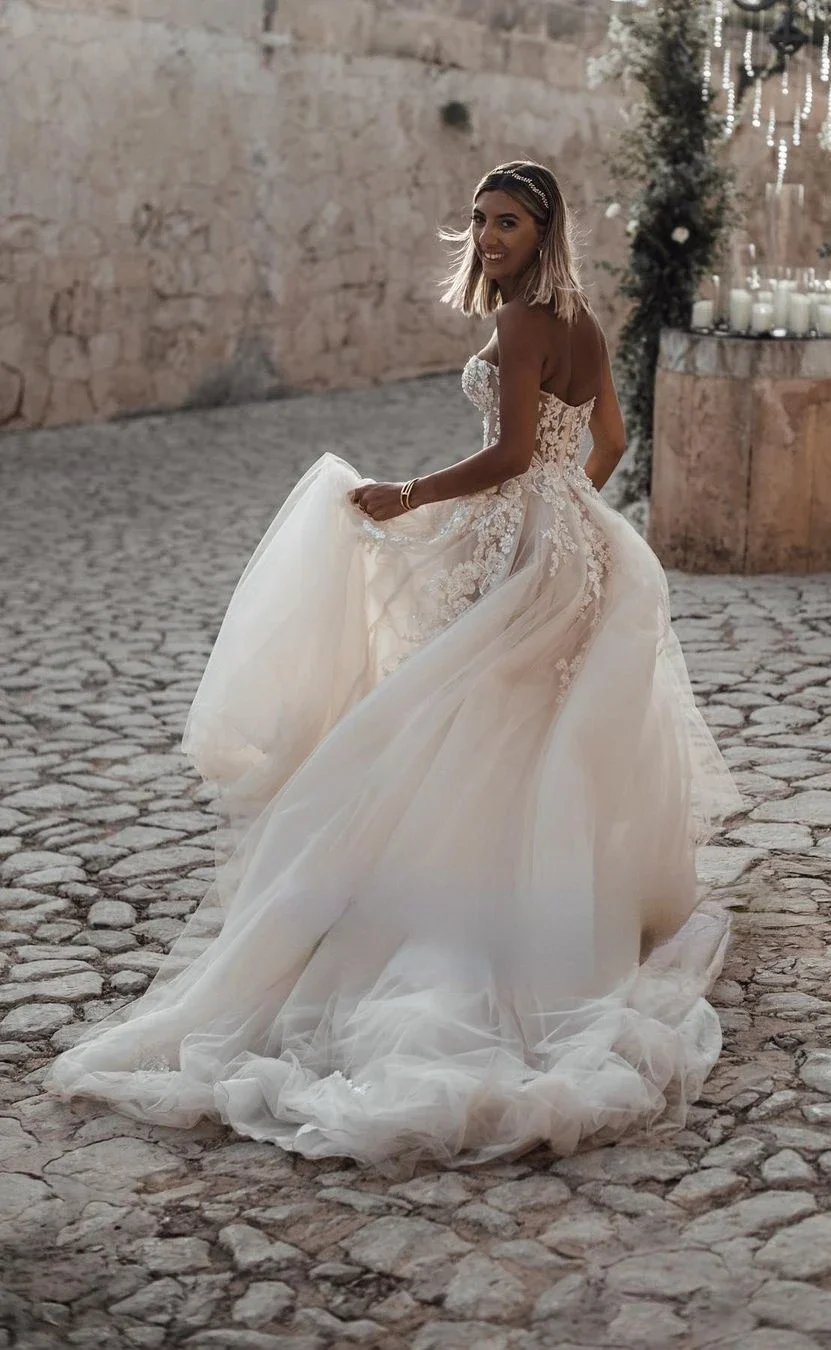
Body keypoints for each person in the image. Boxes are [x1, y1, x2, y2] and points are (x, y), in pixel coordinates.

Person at [46, 160, 741, 1176]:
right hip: (580, 550)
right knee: (526, 732)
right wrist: (571, 507)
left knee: (454, 722)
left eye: (508, 221)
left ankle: (466, 919)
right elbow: (610, 439)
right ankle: (544, 905)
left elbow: (510, 451)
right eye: (479, 219)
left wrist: (416, 495)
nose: (489, 235)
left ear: (545, 229)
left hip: (535, 552)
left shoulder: (519, 328)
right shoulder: (583, 322)